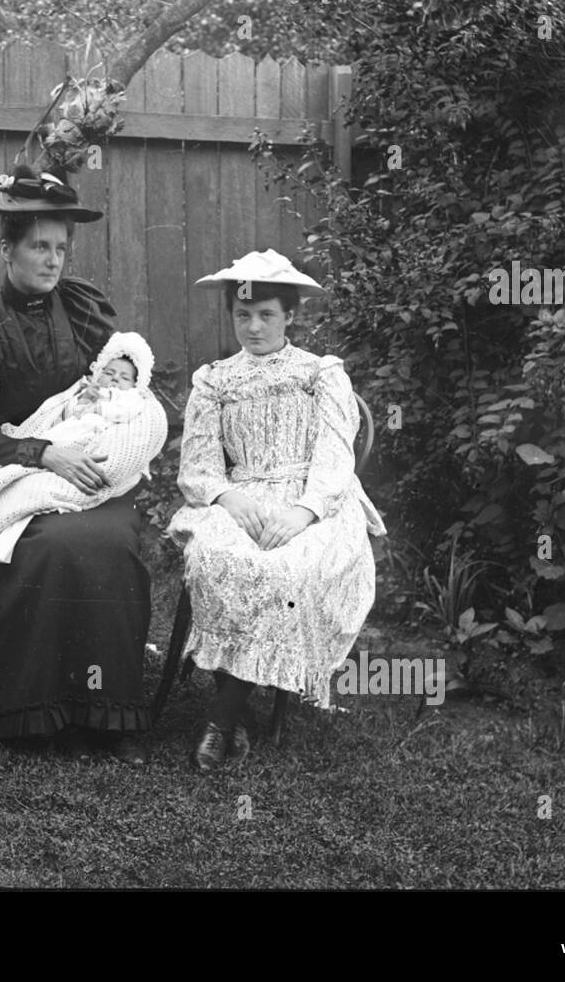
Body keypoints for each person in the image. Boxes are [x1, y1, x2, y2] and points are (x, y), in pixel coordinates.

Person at [0, 165, 153, 764]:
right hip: (12, 467)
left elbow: (120, 384)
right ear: (6, 249)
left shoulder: (80, 307)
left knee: (108, 538)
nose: (52, 261)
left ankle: (107, 716)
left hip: (89, 463)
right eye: (38, 247)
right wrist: (44, 452)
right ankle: (36, 712)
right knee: (52, 545)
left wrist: (107, 428)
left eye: (60, 248)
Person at [167, 250, 387, 772]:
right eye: (243, 315)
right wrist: (226, 496)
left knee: (284, 569)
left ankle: (221, 719)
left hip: (316, 501)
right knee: (219, 559)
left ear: (290, 316)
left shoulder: (320, 373)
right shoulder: (214, 380)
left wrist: (305, 511)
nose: (253, 326)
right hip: (240, 495)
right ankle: (235, 711)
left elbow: (336, 457)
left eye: (266, 314)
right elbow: (196, 466)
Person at [0, 330, 167, 581]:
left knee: (25, 488)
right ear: (99, 372)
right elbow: (58, 416)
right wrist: (80, 404)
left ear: (136, 384)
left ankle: (7, 514)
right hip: (62, 439)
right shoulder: (84, 392)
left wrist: (99, 407)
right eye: (109, 373)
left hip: (95, 441)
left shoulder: (131, 401)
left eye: (124, 377)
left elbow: (124, 420)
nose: (114, 380)